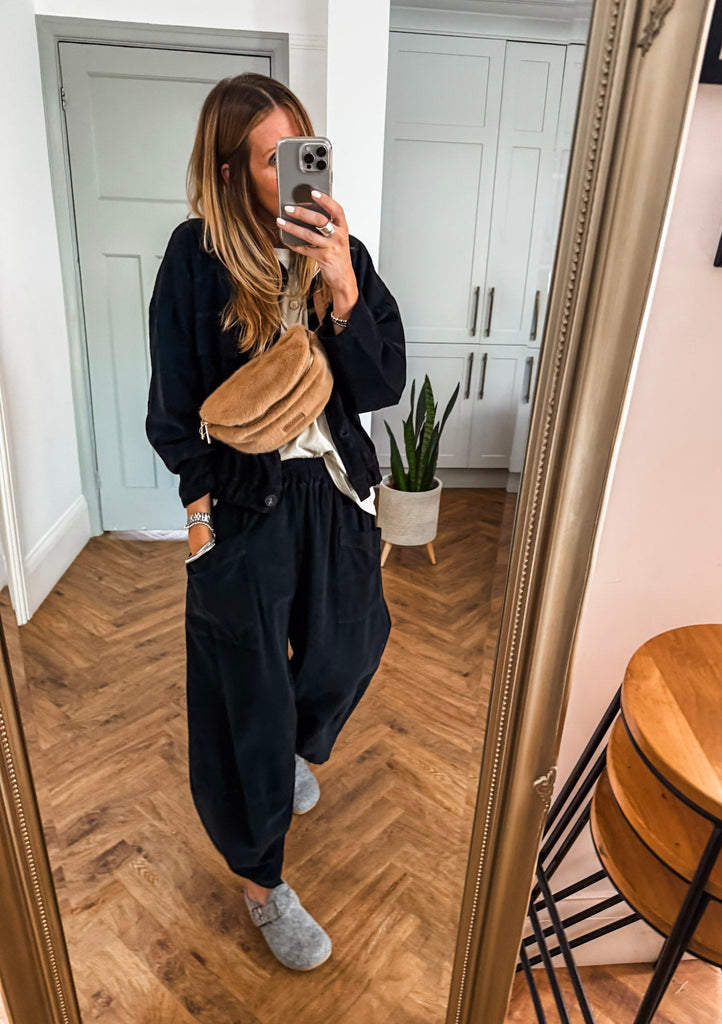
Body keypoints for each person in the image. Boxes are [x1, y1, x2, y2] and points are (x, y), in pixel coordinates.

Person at [146, 73, 406, 971]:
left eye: (304, 148)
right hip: (241, 504)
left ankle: (293, 750)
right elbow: (173, 409)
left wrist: (343, 285)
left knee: (353, 645)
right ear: (230, 171)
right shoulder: (195, 256)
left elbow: (380, 385)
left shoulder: (342, 251)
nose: (298, 170)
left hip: (333, 493)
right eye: (273, 157)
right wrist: (200, 516)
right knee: (243, 702)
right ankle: (261, 882)